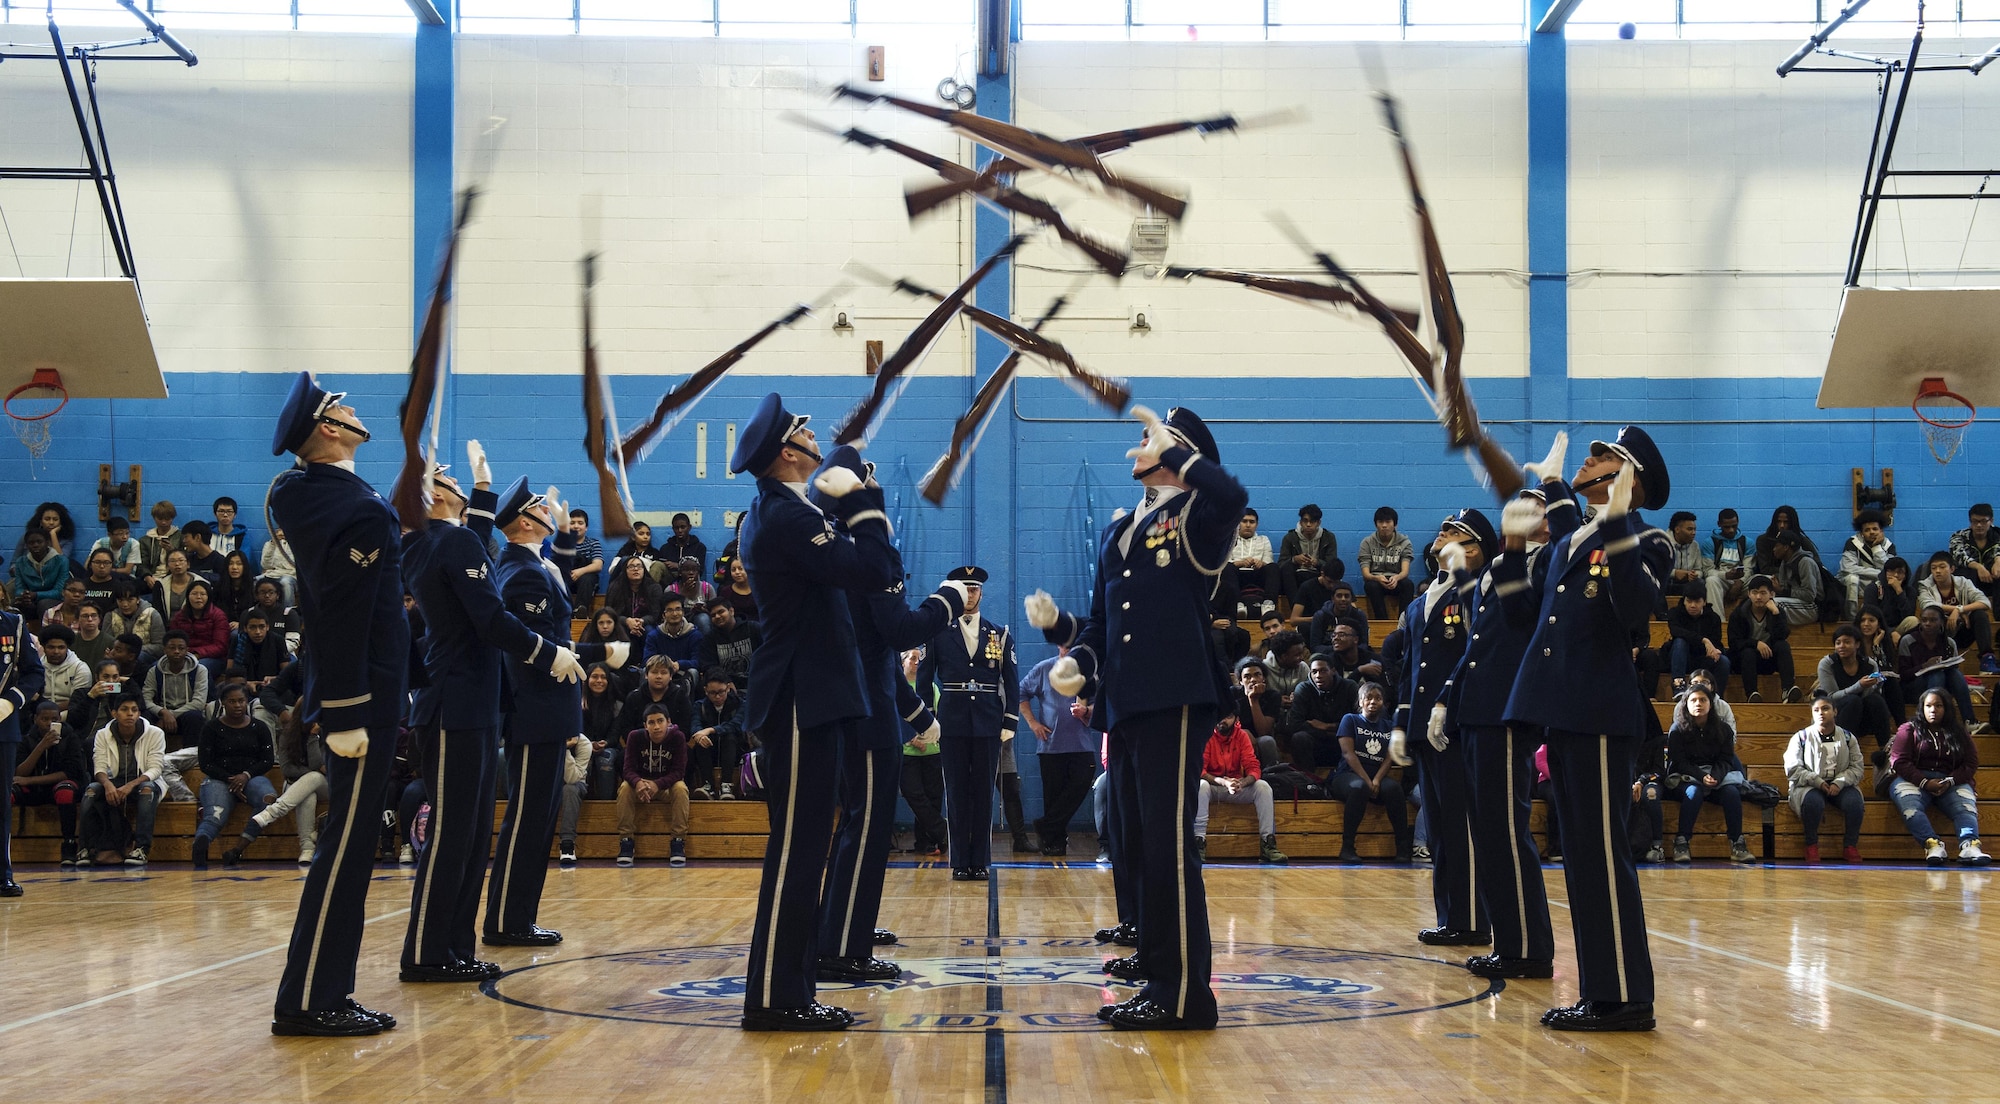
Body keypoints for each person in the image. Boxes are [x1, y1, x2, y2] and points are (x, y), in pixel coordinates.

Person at [1026, 404, 1245, 1031]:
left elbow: (1232, 494)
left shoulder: (1196, 517)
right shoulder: (1121, 531)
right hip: (1127, 702)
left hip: (1173, 695)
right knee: (1141, 841)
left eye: (1153, 439)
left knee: (1170, 845)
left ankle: (1184, 996)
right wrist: (1078, 663)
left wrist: (1179, 453)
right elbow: (1101, 625)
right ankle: (1158, 975)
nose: (1138, 444)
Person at [729, 392, 897, 1032]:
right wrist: (862, 502)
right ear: (787, 454)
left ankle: (789, 990)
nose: (813, 441)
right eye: (803, 435)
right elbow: (874, 569)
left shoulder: (785, 513)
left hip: (810, 695)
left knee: (804, 850)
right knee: (798, 852)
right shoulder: (786, 517)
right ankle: (775, 997)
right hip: (801, 696)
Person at [1500, 425, 1669, 1032]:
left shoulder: (1647, 540)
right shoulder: (1575, 539)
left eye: (1603, 456)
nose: (1588, 461)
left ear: (1627, 478)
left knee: (1602, 856)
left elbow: (1633, 606)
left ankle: (1625, 996)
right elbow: (1522, 609)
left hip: (1600, 714)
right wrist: (1545, 488)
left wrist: (1621, 519)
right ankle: (1604, 990)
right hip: (1566, 712)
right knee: (1580, 861)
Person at [265, 371, 409, 1036]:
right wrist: (348, 710)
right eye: (342, 409)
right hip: (365, 697)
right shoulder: (351, 505)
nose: (354, 413)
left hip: (362, 691)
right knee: (346, 851)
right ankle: (309, 1001)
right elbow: (345, 614)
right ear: (328, 429)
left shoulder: (316, 493)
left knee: (350, 850)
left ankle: (323, 992)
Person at [400, 465, 582, 984]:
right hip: (456, 704)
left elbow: (475, 541)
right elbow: (490, 618)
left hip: (468, 704)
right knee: (453, 836)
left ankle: (452, 947)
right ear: (434, 494)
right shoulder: (448, 544)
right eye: (446, 477)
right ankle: (426, 952)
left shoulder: (436, 542)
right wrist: (546, 651)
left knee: (472, 835)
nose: (455, 479)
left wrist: (481, 488)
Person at [808, 445, 965, 975]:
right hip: (869, 714)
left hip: (844, 703)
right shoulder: (866, 553)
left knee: (855, 823)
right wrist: (947, 599)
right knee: (868, 828)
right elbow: (898, 631)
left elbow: (870, 650)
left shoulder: (824, 546)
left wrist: (918, 712)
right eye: (868, 478)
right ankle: (844, 948)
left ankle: (845, 923)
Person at [1441, 474, 1574, 982]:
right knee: (1490, 833)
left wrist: (1516, 545)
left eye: (1535, 507)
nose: (1522, 512)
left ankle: (1529, 949)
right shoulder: (1505, 564)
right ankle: (1510, 941)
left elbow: (1521, 616)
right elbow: (1479, 645)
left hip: (1506, 713)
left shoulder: (1551, 562)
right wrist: (1451, 701)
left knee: (1506, 830)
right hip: (1480, 709)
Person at [486, 474, 630, 947]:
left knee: (540, 819)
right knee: (527, 819)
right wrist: (600, 654)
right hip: (535, 711)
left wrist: (566, 536)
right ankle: (506, 920)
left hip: (550, 711)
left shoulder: (534, 563)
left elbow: (550, 609)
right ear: (525, 521)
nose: (548, 511)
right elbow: (534, 643)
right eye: (539, 509)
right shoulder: (520, 571)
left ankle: (520, 918)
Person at [1394, 509, 1488, 950]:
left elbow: (1477, 650)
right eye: (1445, 531)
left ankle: (1471, 919)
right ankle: (1451, 916)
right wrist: (1400, 723)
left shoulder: (1474, 593)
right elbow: (1409, 669)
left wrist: (1465, 574)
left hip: (1455, 724)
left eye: (1459, 535)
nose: (1445, 537)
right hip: (1421, 728)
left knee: (1460, 824)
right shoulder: (1420, 602)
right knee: (1437, 828)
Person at [917, 564, 1022, 875]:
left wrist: (1010, 721)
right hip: (951, 722)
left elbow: (1012, 681)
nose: (970, 594)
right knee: (958, 793)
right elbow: (924, 680)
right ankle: (960, 862)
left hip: (989, 722)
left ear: (981, 593)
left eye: (974, 589)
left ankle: (980, 862)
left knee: (983, 793)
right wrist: (927, 719)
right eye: (965, 589)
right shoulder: (936, 632)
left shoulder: (999, 633)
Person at [1887, 687, 1988, 865]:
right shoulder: (1908, 729)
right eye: (1928, 706)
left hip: (1951, 780)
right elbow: (1898, 761)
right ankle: (1933, 845)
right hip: (1914, 779)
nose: (1933, 710)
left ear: (1947, 708)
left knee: (1965, 806)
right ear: (1922, 708)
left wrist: (1950, 781)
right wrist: (1925, 782)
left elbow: (1970, 764)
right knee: (1910, 805)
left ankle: (1969, 846)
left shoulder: (1958, 732)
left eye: (1938, 706)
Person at [1023, 645, 1101, 857]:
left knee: (1082, 783)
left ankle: (1046, 825)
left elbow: (1101, 704)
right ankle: (1053, 842)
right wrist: (1032, 723)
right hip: (1051, 745)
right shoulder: (1044, 669)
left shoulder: (1089, 673)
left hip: (1081, 745)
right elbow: (1021, 693)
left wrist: (1087, 710)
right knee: (1053, 795)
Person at [189, 681, 277, 869]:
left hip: (252, 776)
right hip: (219, 778)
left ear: (247, 702)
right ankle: (201, 842)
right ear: (222, 703)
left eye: (241, 701)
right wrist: (230, 779)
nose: (237, 705)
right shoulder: (211, 728)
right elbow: (205, 763)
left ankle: (237, 849)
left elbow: (268, 760)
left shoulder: (259, 727)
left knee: (268, 799)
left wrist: (245, 775)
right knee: (216, 812)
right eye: (232, 701)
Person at [223, 714, 327, 867]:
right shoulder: (288, 735)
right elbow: (288, 770)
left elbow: (321, 766)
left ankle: (272, 812)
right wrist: (315, 771)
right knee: (308, 794)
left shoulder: (329, 733)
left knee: (314, 777)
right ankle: (307, 849)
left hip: (327, 785)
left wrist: (313, 737)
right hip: (293, 784)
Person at [1666, 684, 1752, 864]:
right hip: (1685, 777)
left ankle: (1737, 843)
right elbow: (1679, 762)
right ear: (1686, 704)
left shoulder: (1724, 729)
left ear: (1711, 704)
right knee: (1693, 793)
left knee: (1731, 793)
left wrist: (1716, 776)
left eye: (1703, 700)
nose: (1698, 704)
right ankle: (1682, 842)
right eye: (1694, 700)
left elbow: (1726, 759)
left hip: (1715, 776)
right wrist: (1700, 776)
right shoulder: (1677, 730)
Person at [77, 694, 163, 867]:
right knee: (91, 791)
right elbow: (99, 768)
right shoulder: (102, 734)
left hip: (142, 782)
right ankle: (84, 847)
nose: (130, 714)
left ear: (139, 714)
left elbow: (155, 769)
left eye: (134, 710)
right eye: (124, 710)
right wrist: (108, 785)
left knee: (147, 790)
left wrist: (130, 785)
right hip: (113, 780)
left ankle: (141, 848)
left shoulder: (155, 733)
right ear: (114, 713)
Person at [0, 597, 48, 895]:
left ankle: (2, 874)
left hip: (2, 726)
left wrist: (11, 701)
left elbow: (34, 673)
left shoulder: (13, 624)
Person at [1193, 711, 1286, 863]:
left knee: (1263, 787)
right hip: (1213, 786)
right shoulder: (1207, 735)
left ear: (1236, 719)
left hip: (1236, 786)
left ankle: (1267, 844)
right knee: (1201, 786)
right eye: (1220, 716)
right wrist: (1224, 782)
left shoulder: (1242, 736)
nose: (1223, 720)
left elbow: (1254, 767)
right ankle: (1199, 843)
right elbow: (1200, 770)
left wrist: (1241, 783)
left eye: (1228, 717)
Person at [1784, 693, 1866, 864]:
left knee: (1855, 802)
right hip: (1809, 784)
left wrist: (1839, 782)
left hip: (1840, 784)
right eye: (1816, 710)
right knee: (1813, 802)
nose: (1821, 713)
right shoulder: (1801, 737)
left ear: (1835, 711)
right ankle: (1811, 845)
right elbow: (1793, 769)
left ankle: (1850, 845)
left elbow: (1857, 768)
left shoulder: (1849, 737)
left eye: (1825, 708)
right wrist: (1817, 782)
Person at [1332, 682, 1406, 862]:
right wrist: (1367, 780)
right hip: (1346, 776)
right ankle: (1347, 847)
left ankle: (1403, 848)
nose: (1373, 702)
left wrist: (1378, 780)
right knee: (1359, 788)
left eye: (1378, 698)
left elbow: (1390, 757)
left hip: (1376, 777)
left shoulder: (1389, 726)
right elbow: (1348, 754)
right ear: (1361, 701)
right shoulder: (1350, 719)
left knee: (1395, 789)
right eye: (1369, 698)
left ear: (1384, 703)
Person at [617, 705, 690, 865]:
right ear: (645, 725)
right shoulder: (634, 737)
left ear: (668, 722)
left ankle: (678, 841)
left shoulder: (678, 737)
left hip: (665, 787)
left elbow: (679, 772)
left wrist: (657, 784)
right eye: (651, 722)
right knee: (624, 788)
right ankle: (626, 841)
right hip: (641, 787)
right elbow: (627, 769)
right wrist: (637, 783)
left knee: (680, 788)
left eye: (660, 721)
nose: (656, 726)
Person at [13, 700, 82, 870]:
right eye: (45, 719)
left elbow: (69, 773)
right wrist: (41, 746)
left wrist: (30, 780)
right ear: (35, 719)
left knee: (66, 790)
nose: (50, 723)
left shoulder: (71, 738)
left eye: (54, 719)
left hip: (57, 787)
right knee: (8, 791)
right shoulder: (26, 739)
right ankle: (7, 844)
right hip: (33, 790)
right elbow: (20, 773)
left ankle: (69, 844)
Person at [1816, 623, 1897, 753]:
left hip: (1863, 715)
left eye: (1847, 642)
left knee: (1875, 699)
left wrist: (1876, 684)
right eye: (1838, 643)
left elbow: (1872, 694)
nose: (1841, 646)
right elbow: (1830, 698)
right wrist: (1859, 686)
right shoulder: (1827, 663)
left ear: (1857, 644)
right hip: (1837, 715)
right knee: (1853, 700)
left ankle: (1886, 749)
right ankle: (1841, 747)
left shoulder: (1869, 664)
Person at [1900, 604, 1980, 728]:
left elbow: (1954, 673)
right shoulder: (1908, 640)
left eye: (1933, 620)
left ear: (1942, 622)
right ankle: (1931, 722)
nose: (1927, 623)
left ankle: (1970, 721)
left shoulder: (1949, 643)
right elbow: (1903, 675)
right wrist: (1925, 666)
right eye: (1924, 620)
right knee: (1936, 674)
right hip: (1914, 688)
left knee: (1953, 673)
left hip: (1943, 688)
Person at [1918, 550, 1998, 674]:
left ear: (1952, 569)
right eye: (1934, 568)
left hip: (1964, 629)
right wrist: (1956, 610)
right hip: (1942, 632)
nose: (1937, 571)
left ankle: (1987, 659)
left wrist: (1960, 609)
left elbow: (1985, 602)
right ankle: (1935, 661)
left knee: (1980, 615)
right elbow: (1928, 605)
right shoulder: (1925, 585)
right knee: (1933, 618)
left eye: (1942, 567)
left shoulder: (1963, 582)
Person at [900, 650, 947, 858]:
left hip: (932, 752)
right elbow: (896, 717)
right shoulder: (898, 688)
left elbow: (937, 716)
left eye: (919, 659)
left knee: (932, 798)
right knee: (915, 795)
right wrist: (912, 739)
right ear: (902, 663)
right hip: (907, 753)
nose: (916, 662)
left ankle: (926, 842)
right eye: (912, 658)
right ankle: (943, 831)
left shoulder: (931, 688)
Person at [1730, 575, 1802, 704]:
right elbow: (1734, 643)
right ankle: (1752, 694)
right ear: (1749, 594)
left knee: (1783, 645)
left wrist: (1776, 613)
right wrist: (1755, 643)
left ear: (1772, 594)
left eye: (1763, 593)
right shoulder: (1739, 613)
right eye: (1754, 593)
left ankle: (1787, 689)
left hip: (1768, 659)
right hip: (1744, 662)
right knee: (1748, 652)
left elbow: (1782, 635)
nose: (1758, 597)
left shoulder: (1777, 612)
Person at [1285, 654, 1359, 773]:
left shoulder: (1349, 687)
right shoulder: (1304, 689)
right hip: (1317, 742)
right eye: (1314, 672)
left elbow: (1359, 722)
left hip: (1344, 741)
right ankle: (1308, 783)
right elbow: (1295, 724)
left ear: (1333, 671)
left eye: (1323, 671)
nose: (1318, 676)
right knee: (1299, 738)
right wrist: (1329, 732)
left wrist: (1329, 726)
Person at [142, 631, 209, 749]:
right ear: (164, 650)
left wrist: (171, 715)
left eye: (181, 648)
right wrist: (163, 712)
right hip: (162, 714)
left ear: (187, 650)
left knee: (194, 717)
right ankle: (148, 754)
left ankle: (191, 757)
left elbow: (199, 703)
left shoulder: (200, 670)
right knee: (144, 717)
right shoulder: (154, 671)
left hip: (185, 714)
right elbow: (146, 699)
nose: (177, 651)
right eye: (172, 648)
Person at [686, 670, 746, 799]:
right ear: (705, 690)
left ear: (728, 688)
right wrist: (701, 735)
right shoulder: (699, 705)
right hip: (709, 752)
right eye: (712, 693)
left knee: (729, 736)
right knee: (701, 740)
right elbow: (695, 726)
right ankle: (708, 785)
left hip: (734, 751)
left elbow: (736, 725)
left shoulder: (740, 704)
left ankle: (727, 784)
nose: (717, 697)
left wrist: (710, 730)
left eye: (721, 692)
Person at [1357, 506, 1416, 620]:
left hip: (1396, 580)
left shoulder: (1405, 542)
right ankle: (1382, 621)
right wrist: (1377, 578)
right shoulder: (1367, 542)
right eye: (1380, 522)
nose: (1384, 525)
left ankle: (1403, 622)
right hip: (1376, 580)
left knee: (1408, 585)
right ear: (1376, 524)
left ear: (1395, 525)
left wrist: (1397, 578)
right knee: (1371, 586)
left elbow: (1405, 571)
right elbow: (1366, 574)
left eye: (1388, 522)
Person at [1277, 503, 1342, 603]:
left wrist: (1316, 562)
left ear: (1318, 523)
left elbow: (1331, 563)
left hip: (1318, 575)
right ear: (1300, 522)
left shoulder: (1328, 537)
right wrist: (1295, 560)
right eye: (1305, 521)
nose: (1308, 525)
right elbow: (1281, 565)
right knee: (1287, 569)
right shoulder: (1290, 537)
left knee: (1333, 571)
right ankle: (1295, 606)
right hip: (1295, 576)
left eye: (1312, 521)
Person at [1836, 510, 1894, 620]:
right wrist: (1880, 573)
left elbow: (1890, 572)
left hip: (1875, 583)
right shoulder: (1852, 543)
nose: (1871, 532)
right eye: (1867, 530)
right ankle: (1851, 619)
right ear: (1861, 533)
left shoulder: (1889, 546)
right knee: (1852, 579)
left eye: (1875, 529)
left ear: (1881, 530)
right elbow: (1848, 568)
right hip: (1855, 583)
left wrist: (1877, 548)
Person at [1665, 510, 1724, 613]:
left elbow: (1699, 570)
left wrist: (1695, 574)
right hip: (1667, 584)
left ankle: (1702, 614)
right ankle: (1662, 615)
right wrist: (1675, 573)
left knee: (1701, 583)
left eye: (1694, 529)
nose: (1694, 533)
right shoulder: (1663, 543)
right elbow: (1657, 570)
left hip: (1687, 585)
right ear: (1677, 529)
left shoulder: (1695, 546)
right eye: (1690, 529)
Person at [1227, 508, 1280, 617]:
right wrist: (1240, 563)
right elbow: (1225, 563)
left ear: (1256, 524)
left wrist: (1261, 563)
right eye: (1244, 521)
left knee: (1274, 567)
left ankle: (1268, 604)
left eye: (1252, 522)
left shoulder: (1264, 539)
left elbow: (1268, 561)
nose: (1248, 525)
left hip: (1257, 574)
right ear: (1238, 523)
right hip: (1238, 575)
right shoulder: (1229, 540)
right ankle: (1238, 604)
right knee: (1227, 568)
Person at [699, 600, 761, 691]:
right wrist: (726, 682)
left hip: (756, 682)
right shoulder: (709, 639)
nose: (717, 616)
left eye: (721, 612)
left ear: (731, 611)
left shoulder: (753, 628)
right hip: (726, 689)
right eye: (713, 615)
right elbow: (709, 667)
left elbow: (767, 653)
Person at [1948, 503, 2000, 609]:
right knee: (1967, 572)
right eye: (1975, 521)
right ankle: (1969, 610)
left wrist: (1998, 561)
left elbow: (1998, 550)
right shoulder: (1959, 536)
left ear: (1991, 521)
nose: (1979, 525)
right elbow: (1958, 555)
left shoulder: (1998, 534)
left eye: (1983, 521)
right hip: (1970, 580)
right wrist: (1978, 567)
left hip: (1992, 580)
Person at [1767, 530, 1824, 627]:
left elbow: (1809, 595)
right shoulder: (1784, 563)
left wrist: (1783, 591)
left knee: (1776, 605)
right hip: (1797, 604)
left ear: (1786, 547)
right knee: (1763, 599)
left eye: (1777, 545)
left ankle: (1779, 637)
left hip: (1812, 607)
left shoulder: (1805, 562)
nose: (1774, 549)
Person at [604, 554, 665, 638]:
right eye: (631, 567)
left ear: (644, 570)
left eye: (639, 566)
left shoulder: (654, 587)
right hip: (622, 623)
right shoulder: (616, 587)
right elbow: (610, 613)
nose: (636, 569)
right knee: (619, 631)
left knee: (650, 632)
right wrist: (627, 621)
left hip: (646, 623)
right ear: (625, 570)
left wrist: (641, 621)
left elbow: (656, 614)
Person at [37, 625, 93, 716]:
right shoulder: (37, 667)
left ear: (67, 648)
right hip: (40, 714)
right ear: (43, 648)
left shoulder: (81, 669)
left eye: (61, 647)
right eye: (51, 647)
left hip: (70, 715)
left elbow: (78, 701)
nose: (56, 652)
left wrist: (51, 712)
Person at [10, 528, 68, 612]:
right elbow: (19, 588)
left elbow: (59, 591)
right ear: (26, 545)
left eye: (39, 542)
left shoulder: (61, 561)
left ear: (47, 543)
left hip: (54, 600)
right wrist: (25, 595)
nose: (35, 545)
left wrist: (36, 595)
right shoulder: (20, 562)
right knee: (15, 605)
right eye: (31, 543)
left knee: (43, 604)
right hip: (30, 599)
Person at [555, 733, 591, 865]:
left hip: (576, 783)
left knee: (569, 789)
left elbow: (573, 778)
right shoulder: (547, 737)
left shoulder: (584, 744)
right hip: (551, 781)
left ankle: (567, 844)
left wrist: (563, 749)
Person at [1753, 505, 1819, 577]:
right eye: (1779, 521)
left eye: (1786, 522)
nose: (1782, 525)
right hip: (1772, 578)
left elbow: (1817, 562)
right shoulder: (1763, 540)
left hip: (1797, 578)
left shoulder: (1801, 540)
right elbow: (1765, 569)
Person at [1307, 580, 1371, 653]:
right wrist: (1339, 647)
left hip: (1352, 654)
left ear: (1351, 599)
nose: (1343, 599)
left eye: (1346, 596)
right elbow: (1315, 647)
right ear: (1332, 598)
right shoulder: (1320, 616)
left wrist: (1347, 648)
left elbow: (1364, 644)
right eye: (1339, 596)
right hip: (1327, 655)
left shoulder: (1359, 615)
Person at [1863, 555, 1918, 637]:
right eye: (1891, 571)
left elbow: (1908, 615)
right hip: (1879, 629)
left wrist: (1899, 591)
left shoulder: (1910, 591)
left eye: (1900, 572)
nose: (1895, 575)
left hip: (1901, 630)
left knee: (1913, 621)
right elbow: (1871, 616)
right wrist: (1890, 632)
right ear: (1885, 572)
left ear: (1905, 575)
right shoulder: (1873, 588)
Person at [106, 586, 165, 660]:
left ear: (138, 600)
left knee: (136, 656)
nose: (125, 604)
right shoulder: (110, 615)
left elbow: (159, 646)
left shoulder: (152, 614)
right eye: (121, 600)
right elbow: (106, 643)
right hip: (117, 655)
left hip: (145, 655)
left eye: (130, 600)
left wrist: (131, 650)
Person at [138, 500, 183, 588]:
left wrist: (172, 550)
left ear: (172, 518)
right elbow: (142, 563)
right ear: (154, 518)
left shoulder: (180, 537)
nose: (163, 522)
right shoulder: (145, 540)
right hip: (152, 576)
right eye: (160, 519)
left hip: (173, 576)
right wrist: (147, 576)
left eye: (167, 519)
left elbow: (186, 559)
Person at [564, 508, 604, 604]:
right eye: (572, 523)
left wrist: (580, 572)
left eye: (580, 523)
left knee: (587, 578)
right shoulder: (562, 545)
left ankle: (580, 612)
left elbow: (598, 565)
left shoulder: (593, 543)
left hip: (586, 583)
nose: (576, 526)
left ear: (586, 527)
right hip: (567, 580)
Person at [153, 549, 199, 622]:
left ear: (188, 564)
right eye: (172, 561)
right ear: (167, 566)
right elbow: (158, 612)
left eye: (181, 560)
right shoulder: (160, 585)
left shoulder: (201, 584)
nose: (177, 564)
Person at [209, 496, 256, 562]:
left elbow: (244, 561)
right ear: (215, 514)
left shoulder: (242, 537)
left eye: (229, 511)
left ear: (235, 514)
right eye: (221, 511)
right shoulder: (207, 533)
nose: (225, 515)